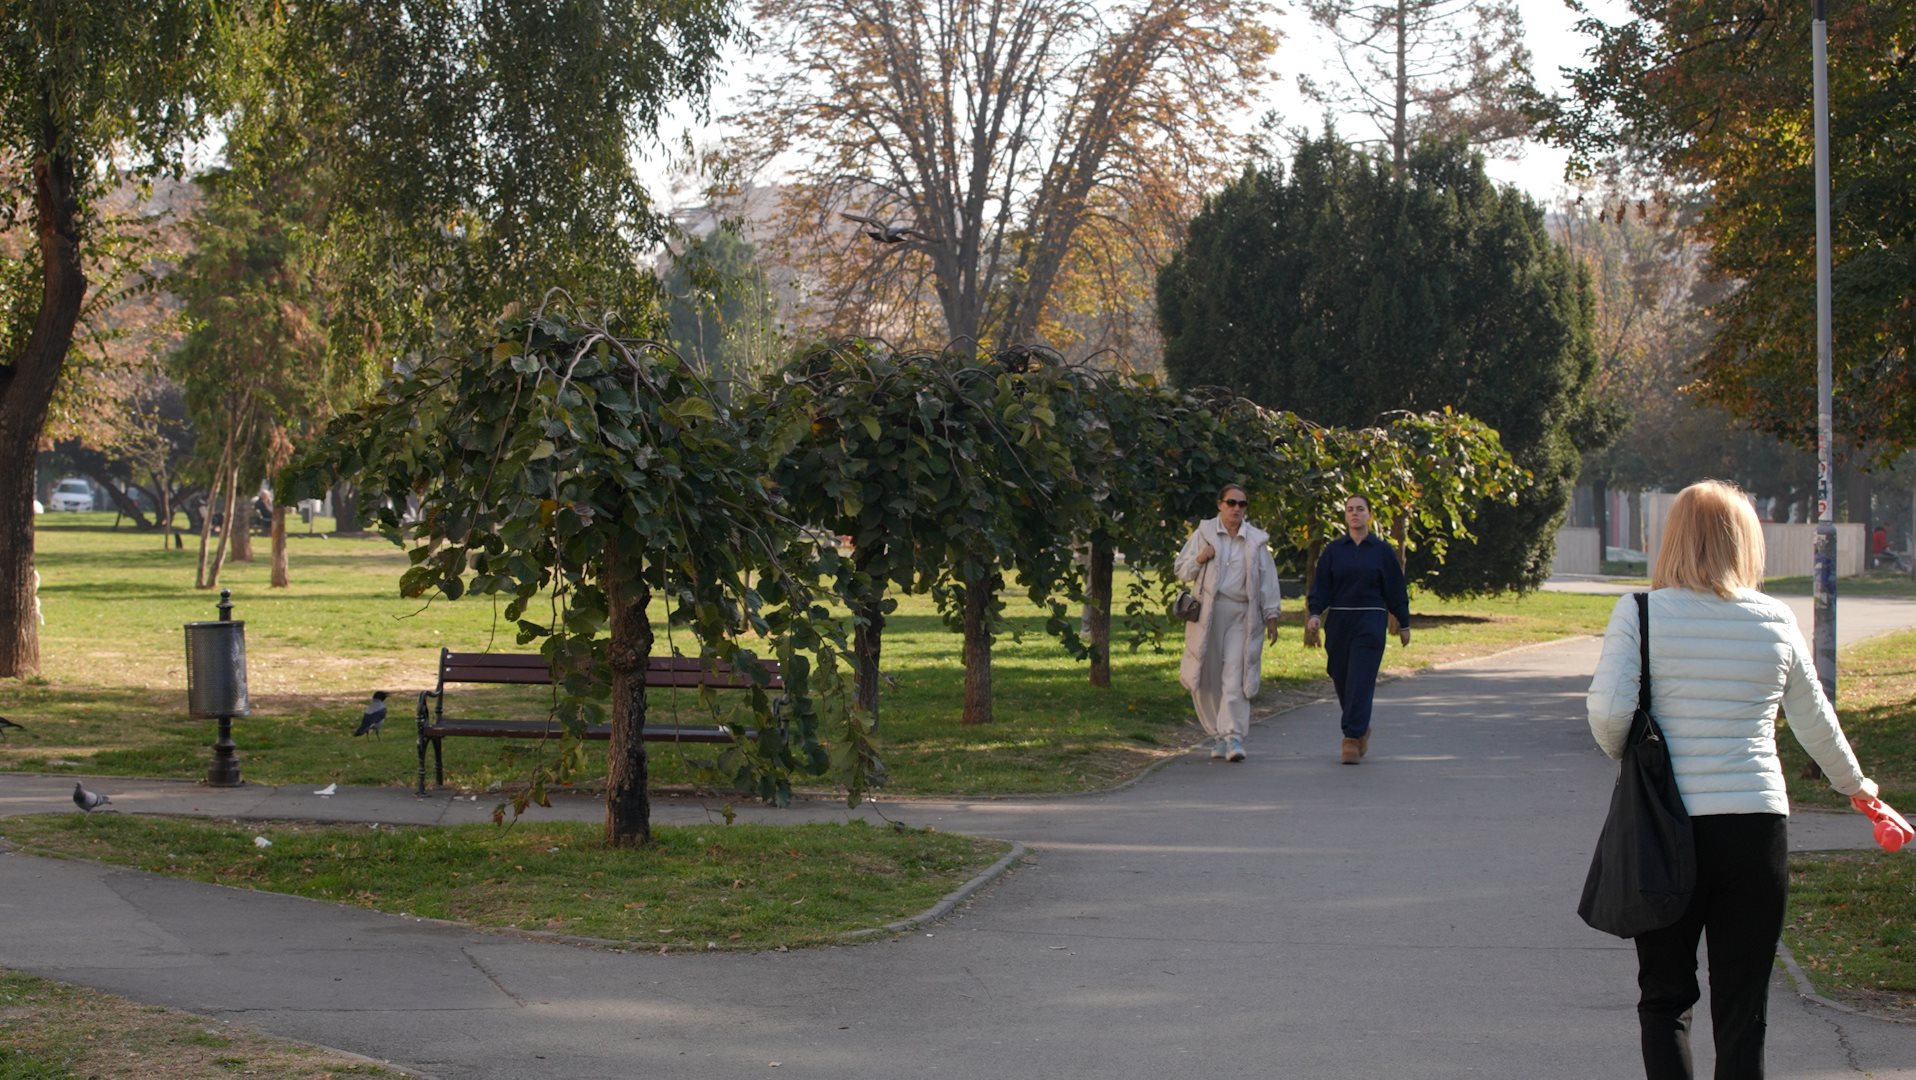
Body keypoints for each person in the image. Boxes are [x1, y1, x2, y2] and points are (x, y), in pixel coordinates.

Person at [1586, 480, 1879, 1080]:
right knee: (1744, 1006)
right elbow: (1814, 721)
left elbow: (1612, 715)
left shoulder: (1639, 612)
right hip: (1755, 826)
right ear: (1745, 541)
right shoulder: (1774, 618)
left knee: (1665, 997)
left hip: (1665, 828)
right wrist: (1858, 788)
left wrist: (1625, 751)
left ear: (1671, 539)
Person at [1174, 483, 1283, 762]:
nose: (1237, 509)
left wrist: (1271, 616)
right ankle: (1218, 734)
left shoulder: (1255, 541)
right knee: (1206, 677)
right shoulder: (1205, 533)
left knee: (1236, 673)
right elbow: (1182, 571)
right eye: (1231, 503)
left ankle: (1234, 735)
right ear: (1220, 504)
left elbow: (1268, 580)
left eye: (1242, 504)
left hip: (1241, 614)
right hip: (1208, 613)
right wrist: (1201, 557)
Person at [1304, 494, 1410, 765]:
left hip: (1371, 621)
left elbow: (1396, 589)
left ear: (1369, 515)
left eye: (1360, 509)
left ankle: (1350, 738)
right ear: (1346, 516)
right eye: (1350, 510)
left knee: (1361, 679)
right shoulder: (1333, 550)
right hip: (1339, 621)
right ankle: (1360, 728)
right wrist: (1315, 613)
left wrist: (1404, 622)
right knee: (1341, 676)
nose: (1354, 514)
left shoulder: (1382, 551)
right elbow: (1321, 587)